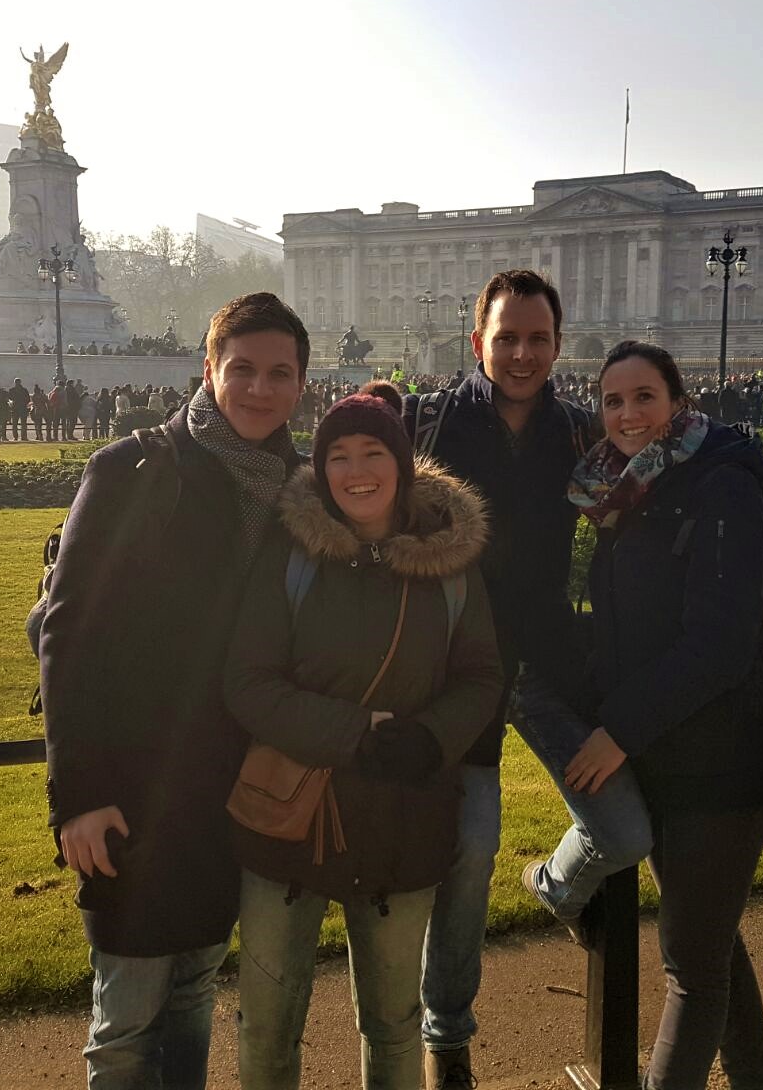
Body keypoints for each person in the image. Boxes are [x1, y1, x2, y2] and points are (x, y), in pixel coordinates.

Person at [40, 292, 311, 1088]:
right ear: (209, 369)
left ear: (301, 383)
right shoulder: (132, 470)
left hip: (231, 791)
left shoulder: (304, 489)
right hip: (133, 785)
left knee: (194, 991)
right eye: (243, 370)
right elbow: (69, 634)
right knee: (125, 1020)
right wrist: (78, 795)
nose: (260, 389)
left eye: (279, 373)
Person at [521, 340, 763, 1090]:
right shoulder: (625, 492)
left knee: (692, 967)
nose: (627, 414)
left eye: (644, 397)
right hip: (671, 753)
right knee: (712, 945)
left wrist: (616, 731)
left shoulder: (721, 487)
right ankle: (754, 1081)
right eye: (612, 401)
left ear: (677, 402)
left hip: (726, 760)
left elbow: (719, 645)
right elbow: (630, 630)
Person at [224, 382, 501, 1090]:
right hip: (291, 815)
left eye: (372, 451)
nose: (355, 470)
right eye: (337, 455)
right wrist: (355, 733)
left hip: (401, 810)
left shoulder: (453, 564)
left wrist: (430, 739)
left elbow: (480, 676)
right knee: (268, 1024)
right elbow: (248, 682)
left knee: (393, 1023)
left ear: (402, 464)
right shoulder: (288, 554)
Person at [397, 269, 592, 1088]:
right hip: (459, 668)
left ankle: (558, 884)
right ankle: (448, 1037)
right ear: (478, 341)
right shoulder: (427, 420)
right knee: (472, 848)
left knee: (625, 824)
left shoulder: (582, 432)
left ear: (556, 345)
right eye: (506, 337)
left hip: (546, 661)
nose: (521, 353)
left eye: (537, 339)